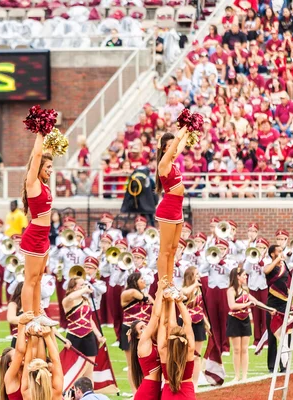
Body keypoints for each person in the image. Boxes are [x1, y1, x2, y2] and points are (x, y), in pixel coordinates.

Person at [20, 131, 57, 330]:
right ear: (39, 168)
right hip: (34, 235)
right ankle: (28, 317)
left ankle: (38, 312)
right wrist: (41, 134)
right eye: (48, 167)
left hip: (44, 235)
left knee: (39, 278)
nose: (51, 170)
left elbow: (43, 155)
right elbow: (37, 156)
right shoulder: (32, 183)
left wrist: (52, 139)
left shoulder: (43, 184)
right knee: (31, 279)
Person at [155, 127, 190, 288]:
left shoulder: (173, 162)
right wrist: (181, 130)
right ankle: (163, 283)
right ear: (164, 149)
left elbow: (180, 144)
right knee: (165, 250)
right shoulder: (163, 164)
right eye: (169, 147)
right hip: (168, 209)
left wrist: (189, 129)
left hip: (178, 209)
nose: (174, 149)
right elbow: (177, 141)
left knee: (174, 249)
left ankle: (170, 281)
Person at [226, 267, 274, 382]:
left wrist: (269, 309)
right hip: (234, 320)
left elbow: (256, 302)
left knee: (244, 349)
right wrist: (247, 303)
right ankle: (237, 376)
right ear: (238, 277)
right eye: (244, 275)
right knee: (236, 349)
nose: (246, 277)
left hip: (245, 320)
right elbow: (232, 306)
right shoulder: (231, 290)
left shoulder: (245, 290)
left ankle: (244, 376)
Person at [63, 277, 106, 380]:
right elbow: (70, 298)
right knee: (73, 372)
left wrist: (98, 335)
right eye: (81, 285)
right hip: (74, 337)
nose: (84, 286)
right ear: (73, 288)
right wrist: (85, 289)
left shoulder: (86, 301)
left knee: (89, 372)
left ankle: (89, 395)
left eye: (84, 284)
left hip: (89, 337)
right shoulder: (67, 301)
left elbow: (90, 320)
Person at [128, 278, 165, 400]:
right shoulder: (142, 342)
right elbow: (154, 317)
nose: (145, 328)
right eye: (141, 328)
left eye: (145, 325)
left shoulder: (151, 340)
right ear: (137, 336)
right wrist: (159, 290)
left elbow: (160, 321)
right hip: (148, 391)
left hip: (155, 388)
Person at [158, 288, 196, 399]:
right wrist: (179, 303)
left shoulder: (163, 350)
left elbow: (163, 325)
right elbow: (188, 323)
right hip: (187, 393)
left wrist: (167, 303)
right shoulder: (189, 349)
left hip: (168, 393)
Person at [120, 271, 152, 391]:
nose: (144, 281)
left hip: (145, 331)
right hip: (129, 330)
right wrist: (146, 297)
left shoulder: (145, 294)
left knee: (145, 362)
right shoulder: (127, 293)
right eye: (141, 279)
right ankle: (135, 392)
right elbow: (134, 293)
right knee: (132, 364)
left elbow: (154, 305)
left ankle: (145, 389)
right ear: (134, 281)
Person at [264, 244, 290, 372]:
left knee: (285, 334)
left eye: (282, 251)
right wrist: (277, 259)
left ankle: (284, 364)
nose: (281, 253)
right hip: (272, 303)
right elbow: (266, 271)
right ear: (273, 254)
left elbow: (286, 286)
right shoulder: (270, 266)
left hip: (284, 302)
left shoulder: (285, 267)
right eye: (278, 251)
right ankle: (272, 366)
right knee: (272, 334)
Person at [181, 267, 208, 385]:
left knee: (197, 355)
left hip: (199, 323)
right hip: (186, 323)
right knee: (185, 354)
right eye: (196, 274)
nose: (199, 276)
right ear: (190, 276)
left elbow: (200, 308)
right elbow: (185, 294)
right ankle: (184, 381)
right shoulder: (184, 289)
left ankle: (195, 383)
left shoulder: (199, 290)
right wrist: (195, 285)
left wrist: (207, 324)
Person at [0, 311, 34, 400]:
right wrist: (21, 324)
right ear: (10, 364)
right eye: (15, 356)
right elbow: (20, 352)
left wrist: (31, 336)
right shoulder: (9, 377)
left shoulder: (27, 370)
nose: (22, 357)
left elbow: (28, 355)